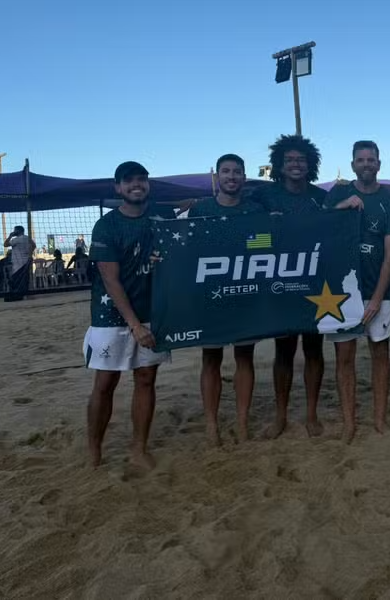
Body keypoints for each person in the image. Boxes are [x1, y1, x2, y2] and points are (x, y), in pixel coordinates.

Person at [83, 161, 173, 469]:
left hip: (152, 310)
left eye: (142, 179)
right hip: (112, 315)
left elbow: (184, 242)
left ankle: (139, 448)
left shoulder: (164, 216)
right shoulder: (107, 226)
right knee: (106, 382)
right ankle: (94, 449)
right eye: (129, 181)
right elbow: (110, 279)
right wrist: (134, 326)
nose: (137, 184)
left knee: (146, 379)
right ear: (118, 188)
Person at [324, 140, 390, 441]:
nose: (366, 164)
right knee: (344, 358)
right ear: (352, 165)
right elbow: (318, 229)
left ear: (379, 164)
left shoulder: (389, 199)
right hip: (340, 294)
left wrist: (376, 298)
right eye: (361, 160)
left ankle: (380, 420)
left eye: (371, 159)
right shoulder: (338, 193)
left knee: (380, 355)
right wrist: (339, 208)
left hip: (378, 292)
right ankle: (349, 423)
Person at [253, 134, 328, 438]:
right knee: (283, 351)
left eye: (301, 160)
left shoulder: (321, 198)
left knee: (313, 350)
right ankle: (280, 416)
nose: (296, 164)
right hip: (279, 283)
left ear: (310, 164)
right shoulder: (263, 197)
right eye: (290, 160)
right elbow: (249, 238)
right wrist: (268, 232)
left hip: (314, 284)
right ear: (279, 166)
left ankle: (311, 414)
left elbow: (334, 236)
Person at [188, 154, 266, 444]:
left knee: (245, 357)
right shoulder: (200, 210)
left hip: (245, 292)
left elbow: (266, 243)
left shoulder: (255, 210)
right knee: (211, 358)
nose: (232, 176)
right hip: (211, 295)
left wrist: (241, 242)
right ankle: (211, 424)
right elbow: (189, 248)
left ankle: (242, 421)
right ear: (217, 177)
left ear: (244, 177)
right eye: (226, 171)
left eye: (237, 172)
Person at [3, 225, 36, 301]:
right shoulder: (27, 238)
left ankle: (18, 295)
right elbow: (34, 245)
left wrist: (10, 236)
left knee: (16, 279)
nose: (14, 232)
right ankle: (24, 294)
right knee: (25, 279)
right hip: (26, 261)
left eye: (15, 230)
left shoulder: (17, 239)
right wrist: (29, 254)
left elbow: (5, 244)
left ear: (18, 231)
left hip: (18, 262)